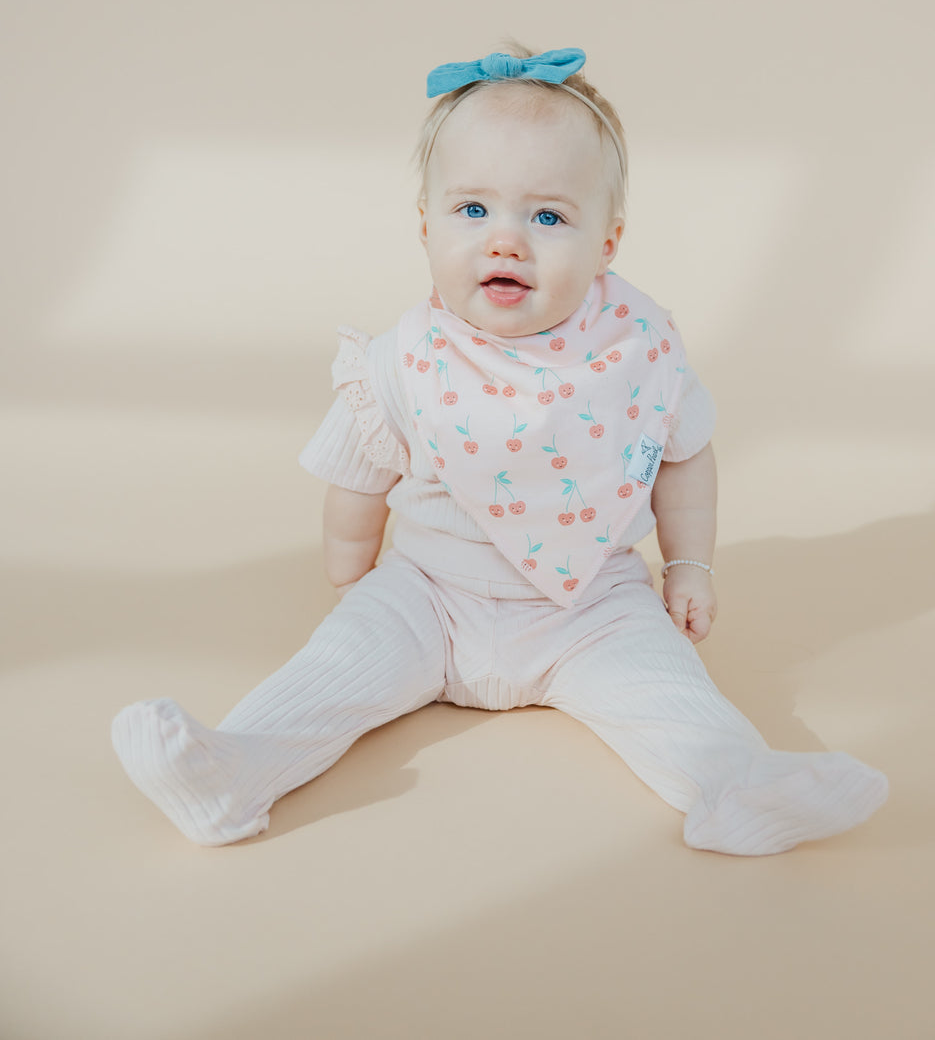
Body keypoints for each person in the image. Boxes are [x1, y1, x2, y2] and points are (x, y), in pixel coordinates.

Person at [111, 41, 889, 853]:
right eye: (473, 210)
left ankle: (737, 786)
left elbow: (684, 455)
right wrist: (352, 573)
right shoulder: (402, 360)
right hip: (429, 595)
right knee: (331, 674)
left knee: (669, 693)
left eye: (548, 216)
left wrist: (690, 563)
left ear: (608, 244)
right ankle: (234, 769)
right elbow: (357, 476)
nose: (506, 241)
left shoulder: (637, 351)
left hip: (591, 605)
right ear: (425, 227)